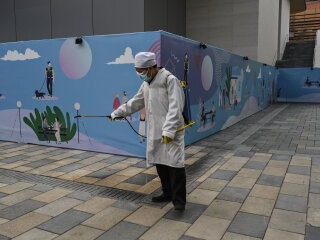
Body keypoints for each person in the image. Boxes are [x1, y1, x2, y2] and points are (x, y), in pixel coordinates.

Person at [111, 52, 186, 211]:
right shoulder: (146, 84)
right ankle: (167, 193)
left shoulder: (169, 80)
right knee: (160, 163)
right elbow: (135, 102)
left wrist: (169, 130)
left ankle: (179, 201)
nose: (140, 74)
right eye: (137, 71)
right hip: (156, 131)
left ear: (152, 68)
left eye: (142, 71)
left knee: (175, 165)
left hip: (171, 132)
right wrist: (118, 113)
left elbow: (176, 107)